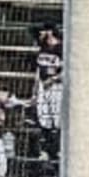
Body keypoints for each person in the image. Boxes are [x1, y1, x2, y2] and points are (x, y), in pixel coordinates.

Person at [32, 25, 64, 158]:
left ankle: (59, 149)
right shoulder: (43, 48)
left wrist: (53, 79)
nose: (40, 35)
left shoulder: (62, 47)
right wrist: (35, 88)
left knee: (57, 119)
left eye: (42, 32)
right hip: (42, 85)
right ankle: (45, 150)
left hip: (56, 85)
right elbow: (39, 69)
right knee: (44, 118)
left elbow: (68, 68)